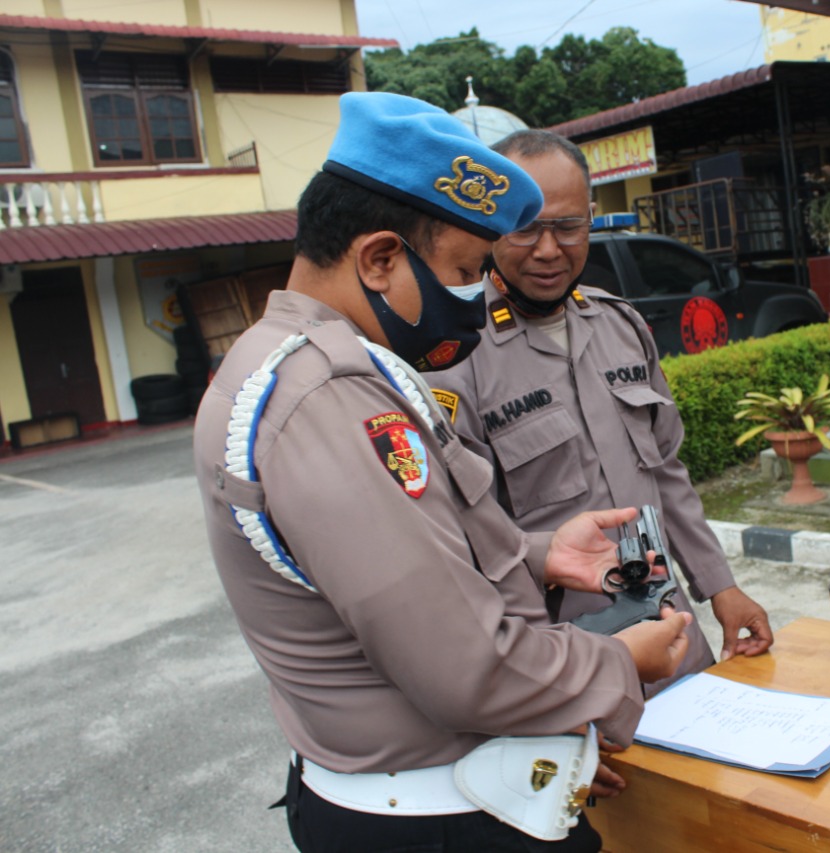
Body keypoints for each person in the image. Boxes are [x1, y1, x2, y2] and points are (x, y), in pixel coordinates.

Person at [193, 92, 692, 853]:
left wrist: (537, 553)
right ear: (380, 258)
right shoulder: (331, 397)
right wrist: (620, 661)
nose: (475, 294)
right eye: (464, 270)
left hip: (440, 790)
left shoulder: (300, 361)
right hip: (438, 818)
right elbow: (467, 667)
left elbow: (395, 560)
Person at [431, 130, 772, 693]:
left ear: (591, 220)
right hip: (565, 654)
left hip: (669, 624)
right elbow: (468, 542)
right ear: (490, 227)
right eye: (524, 227)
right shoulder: (455, 359)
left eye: (567, 227)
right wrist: (552, 699)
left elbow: (665, 471)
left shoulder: (620, 326)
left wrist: (721, 587)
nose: (548, 249)